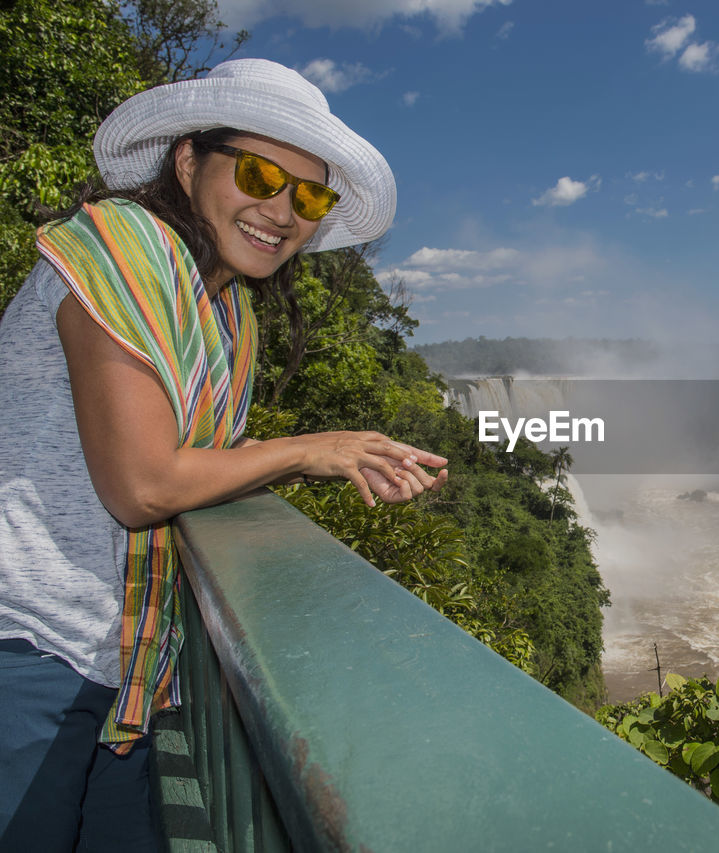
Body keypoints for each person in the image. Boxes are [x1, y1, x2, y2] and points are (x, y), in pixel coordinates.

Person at [0, 59, 446, 850]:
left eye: (309, 196)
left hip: (124, 674)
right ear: (187, 160)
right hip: (27, 653)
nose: (282, 210)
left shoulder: (225, 313)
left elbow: (213, 464)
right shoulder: (119, 247)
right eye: (260, 174)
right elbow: (143, 484)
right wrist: (309, 450)